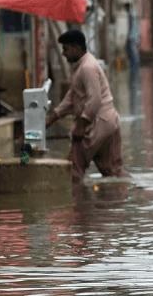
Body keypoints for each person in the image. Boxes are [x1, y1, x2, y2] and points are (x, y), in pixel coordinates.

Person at [46, 30, 131, 185]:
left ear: (76, 48)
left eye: (66, 49)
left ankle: (76, 207)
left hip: (97, 121)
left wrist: (81, 125)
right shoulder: (84, 66)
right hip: (108, 121)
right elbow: (71, 98)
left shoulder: (87, 68)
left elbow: (94, 99)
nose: (63, 54)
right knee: (113, 171)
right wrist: (52, 118)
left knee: (73, 170)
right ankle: (124, 198)